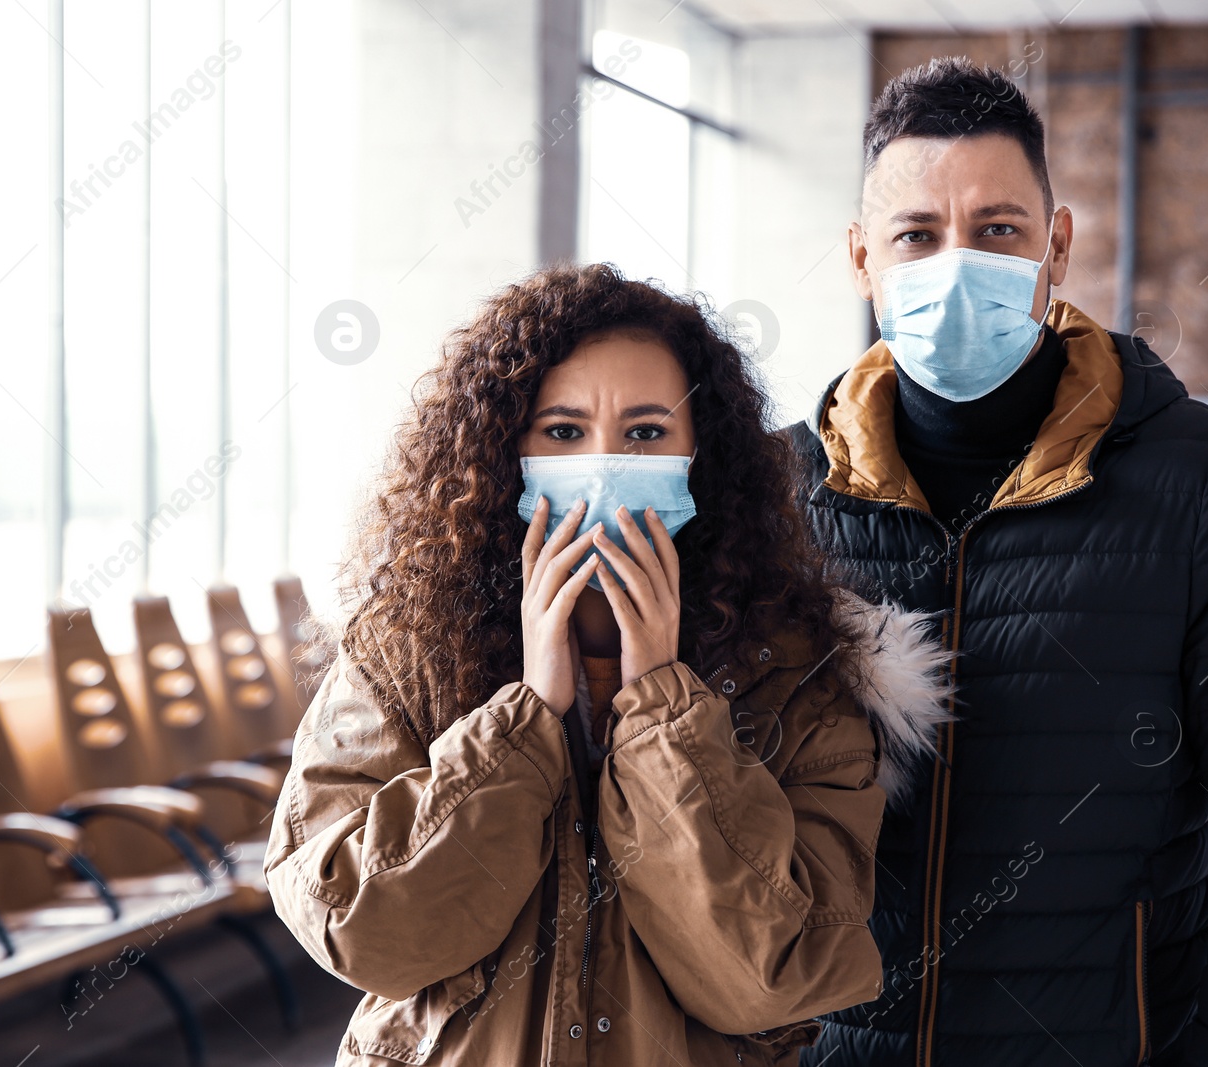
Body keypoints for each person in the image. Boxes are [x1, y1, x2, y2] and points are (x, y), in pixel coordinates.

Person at [784, 56, 1208, 1066]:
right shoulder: (778, 497)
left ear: (1057, 246)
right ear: (862, 258)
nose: (954, 262)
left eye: (996, 229)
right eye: (915, 235)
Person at [264, 262, 956, 1065]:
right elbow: (360, 927)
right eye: (563, 432)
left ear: (703, 453)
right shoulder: (405, 650)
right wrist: (523, 720)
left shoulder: (802, 677)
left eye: (645, 432)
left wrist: (664, 710)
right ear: (505, 449)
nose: (604, 464)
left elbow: (773, 976)